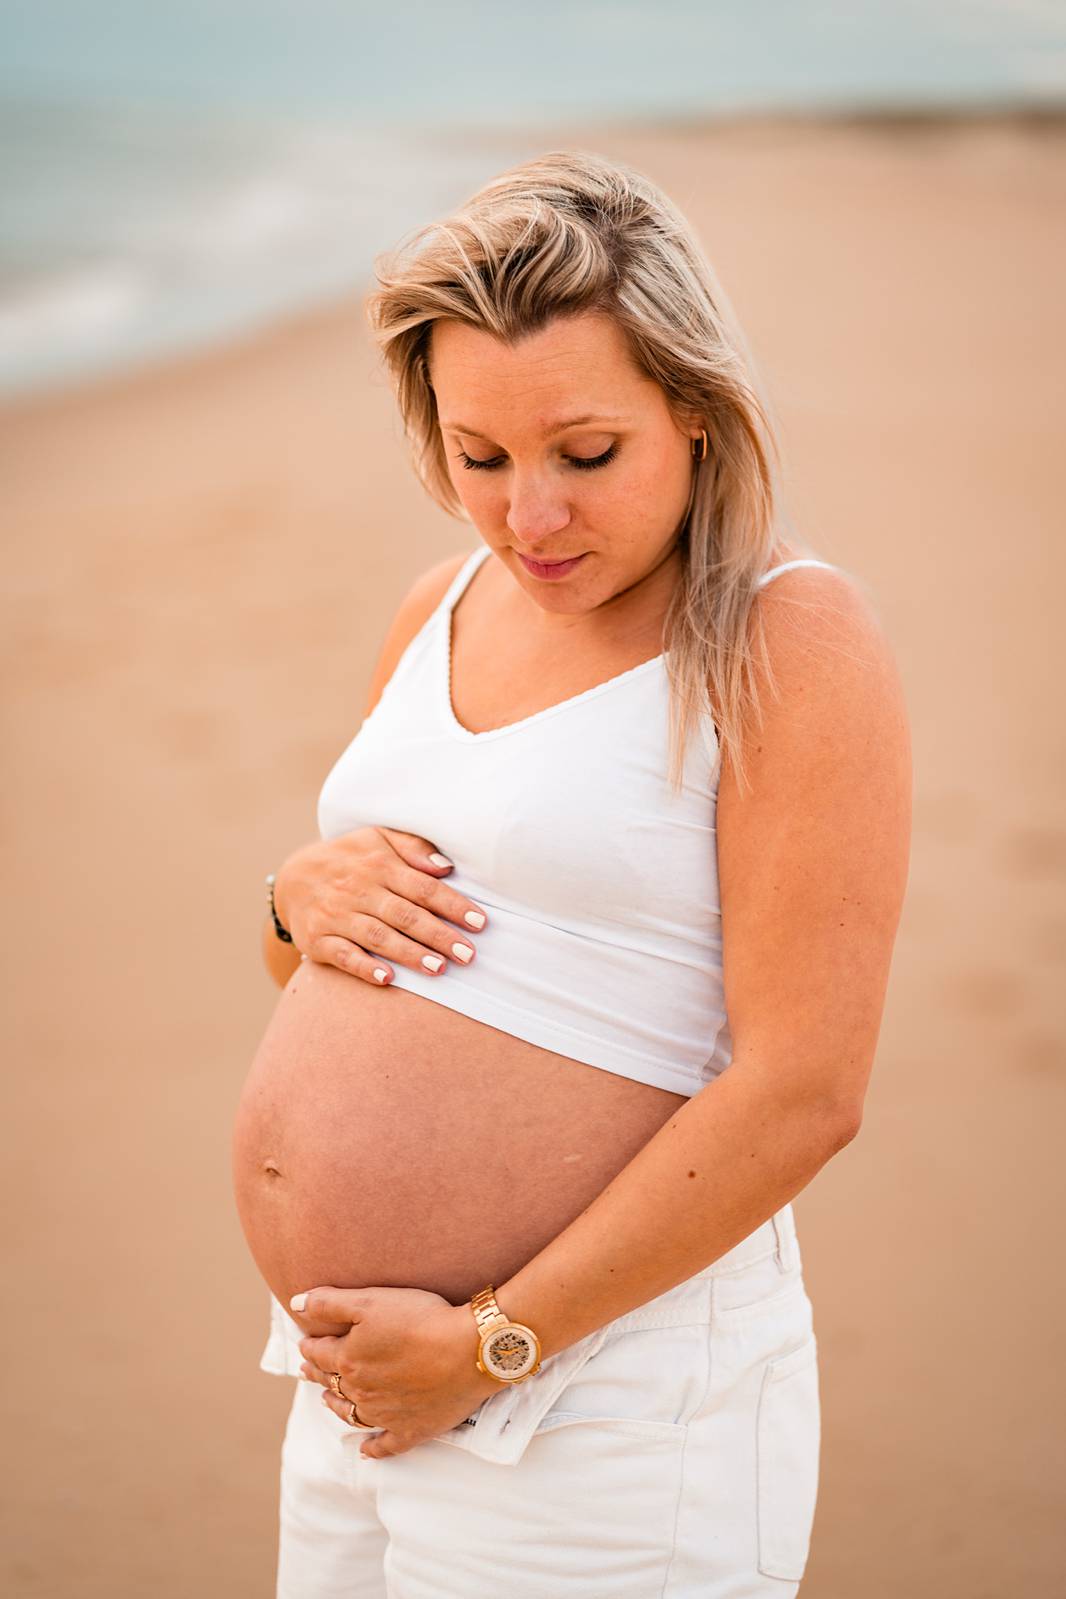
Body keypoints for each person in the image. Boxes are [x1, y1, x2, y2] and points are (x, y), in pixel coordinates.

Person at [238, 149, 912, 1598]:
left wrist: (489, 1344)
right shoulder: (442, 603)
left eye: (583, 455)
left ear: (689, 404)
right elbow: (357, 958)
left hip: (598, 1402)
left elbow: (805, 1091)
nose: (526, 517)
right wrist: (295, 904)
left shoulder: (788, 642)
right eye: (478, 459)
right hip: (352, 1383)